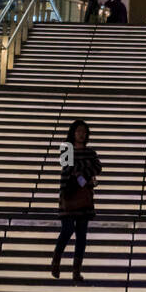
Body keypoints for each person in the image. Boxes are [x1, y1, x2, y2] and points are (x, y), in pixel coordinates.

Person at [53, 118, 100, 282]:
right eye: (78, 131)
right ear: (73, 132)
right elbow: (68, 169)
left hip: (84, 197)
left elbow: (97, 168)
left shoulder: (91, 152)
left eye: (84, 131)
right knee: (67, 229)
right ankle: (56, 260)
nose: (81, 134)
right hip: (69, 193)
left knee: (82, 235)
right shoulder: (66, 149)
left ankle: (76, 270)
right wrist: (83, 172)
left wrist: (80, 172)